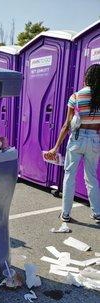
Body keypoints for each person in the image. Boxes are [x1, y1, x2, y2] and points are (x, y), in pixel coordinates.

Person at [46, 64, 100, 224]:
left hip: (77, 138)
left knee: (69, 175)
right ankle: (97, 213)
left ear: (87, 77)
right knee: (91, 176)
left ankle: (66, 214)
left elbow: (67, 125)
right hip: (95, 139)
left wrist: (55, 147)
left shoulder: (76, 96)